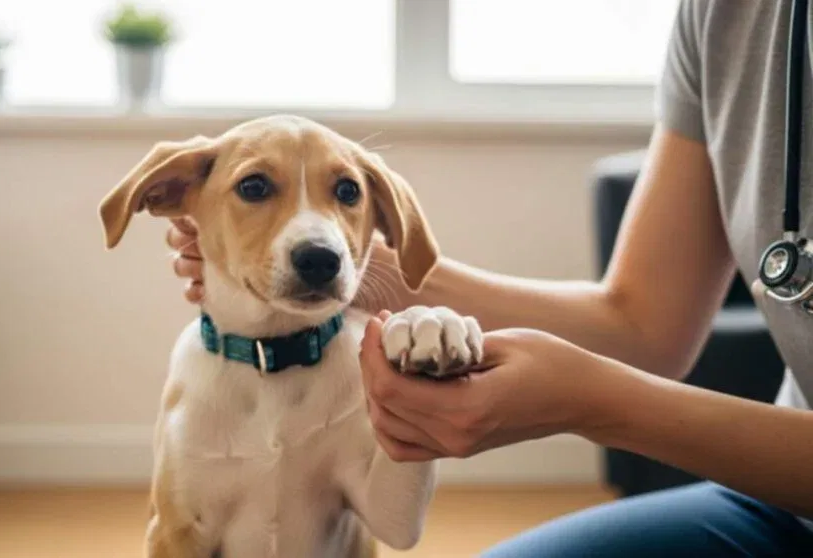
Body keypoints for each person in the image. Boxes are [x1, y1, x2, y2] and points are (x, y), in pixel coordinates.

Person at [164, 1, 813, 554]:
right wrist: (373, 274)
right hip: (777, 507)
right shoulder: (725, 15)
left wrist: (588, 401)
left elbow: (397, 526)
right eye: (256, 188)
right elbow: (643, 325)